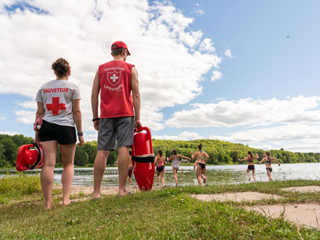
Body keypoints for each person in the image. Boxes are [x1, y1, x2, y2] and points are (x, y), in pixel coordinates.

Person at [91, 41, 142, 198]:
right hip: (125, 113)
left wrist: (95, 118)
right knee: (123, 149)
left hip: (106, 115)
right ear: (125, 52)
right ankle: (121, 190)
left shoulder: (101, 69)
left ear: (112, 53)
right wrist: (138, 118)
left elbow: (94, 94)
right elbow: (136, 94)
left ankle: (96, 192)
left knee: (102, 151)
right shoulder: (130, 68)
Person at [35, 58, 84, 209]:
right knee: (68, 164)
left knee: (48, 164)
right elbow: (76, 112)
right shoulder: (73, 88)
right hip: (66, 127)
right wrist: (80, 132)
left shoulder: (43, 88)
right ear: (69, 71)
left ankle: (48, 203)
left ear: (55, 72)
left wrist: (37, 133)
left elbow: (40, 113)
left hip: (47, 126)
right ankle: (65, 199)